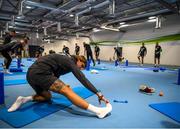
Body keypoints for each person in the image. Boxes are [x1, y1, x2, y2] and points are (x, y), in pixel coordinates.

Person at [8, 54, 112, 119]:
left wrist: (59, 84)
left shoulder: (65, 60)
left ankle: (23, 99)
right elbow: (82, 78)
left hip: (31, 75)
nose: (81, 69)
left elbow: (55, 73)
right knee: (67, 91)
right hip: (40, 73)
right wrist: (98, 93)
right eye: (82, 66)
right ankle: (98, 111)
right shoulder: (70, 61)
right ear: (79, 60)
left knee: (47, 97)